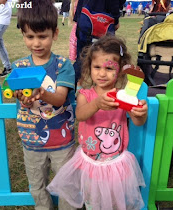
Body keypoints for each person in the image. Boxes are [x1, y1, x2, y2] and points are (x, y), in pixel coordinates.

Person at [47, 35, 148, 210]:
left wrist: (140, 113)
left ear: (120, 71)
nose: (102, 73)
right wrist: (97, 104)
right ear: (89, 68)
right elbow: (80, 115)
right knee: (93, 200)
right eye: (97, 67)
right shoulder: (85, 94)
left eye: (109, 68)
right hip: (90, 163)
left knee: (116, 201)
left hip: (116, 164)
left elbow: (138, 122)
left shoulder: (124, 96)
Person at [13, 0, 77, 209]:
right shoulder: (19, 67)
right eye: (30, 37)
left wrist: (42, 93)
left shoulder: (62, 65)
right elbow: (19, 98)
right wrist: (22, 98)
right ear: (23, 34)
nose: (36, 43)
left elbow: (59, 98)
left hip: (62, 140)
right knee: (37, 186)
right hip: (32, 139)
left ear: (55, 34)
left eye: (42, 36)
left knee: (68, 185)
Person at [73, 0, 121, 86]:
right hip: (103, 22)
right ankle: (99, 91)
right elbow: (115, 4)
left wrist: (78, 18)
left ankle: (70, 87)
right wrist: (116, 20)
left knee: (81, 59)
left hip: (85, 20)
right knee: (104, 58)